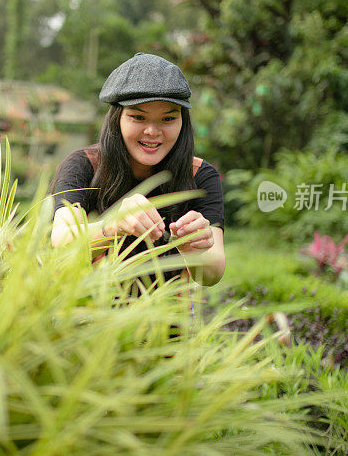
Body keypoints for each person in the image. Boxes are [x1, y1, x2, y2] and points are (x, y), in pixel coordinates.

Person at [50, 52, 225, 286]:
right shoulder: (84, 165)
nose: (153, 131)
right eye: (138, 117)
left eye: (167, 119)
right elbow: (61, 240)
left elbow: (213, 274)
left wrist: (193, 247)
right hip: (87, 313)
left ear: (182, 121)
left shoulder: (199, 175)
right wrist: (113, 226)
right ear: (117, 119)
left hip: (165, 318)